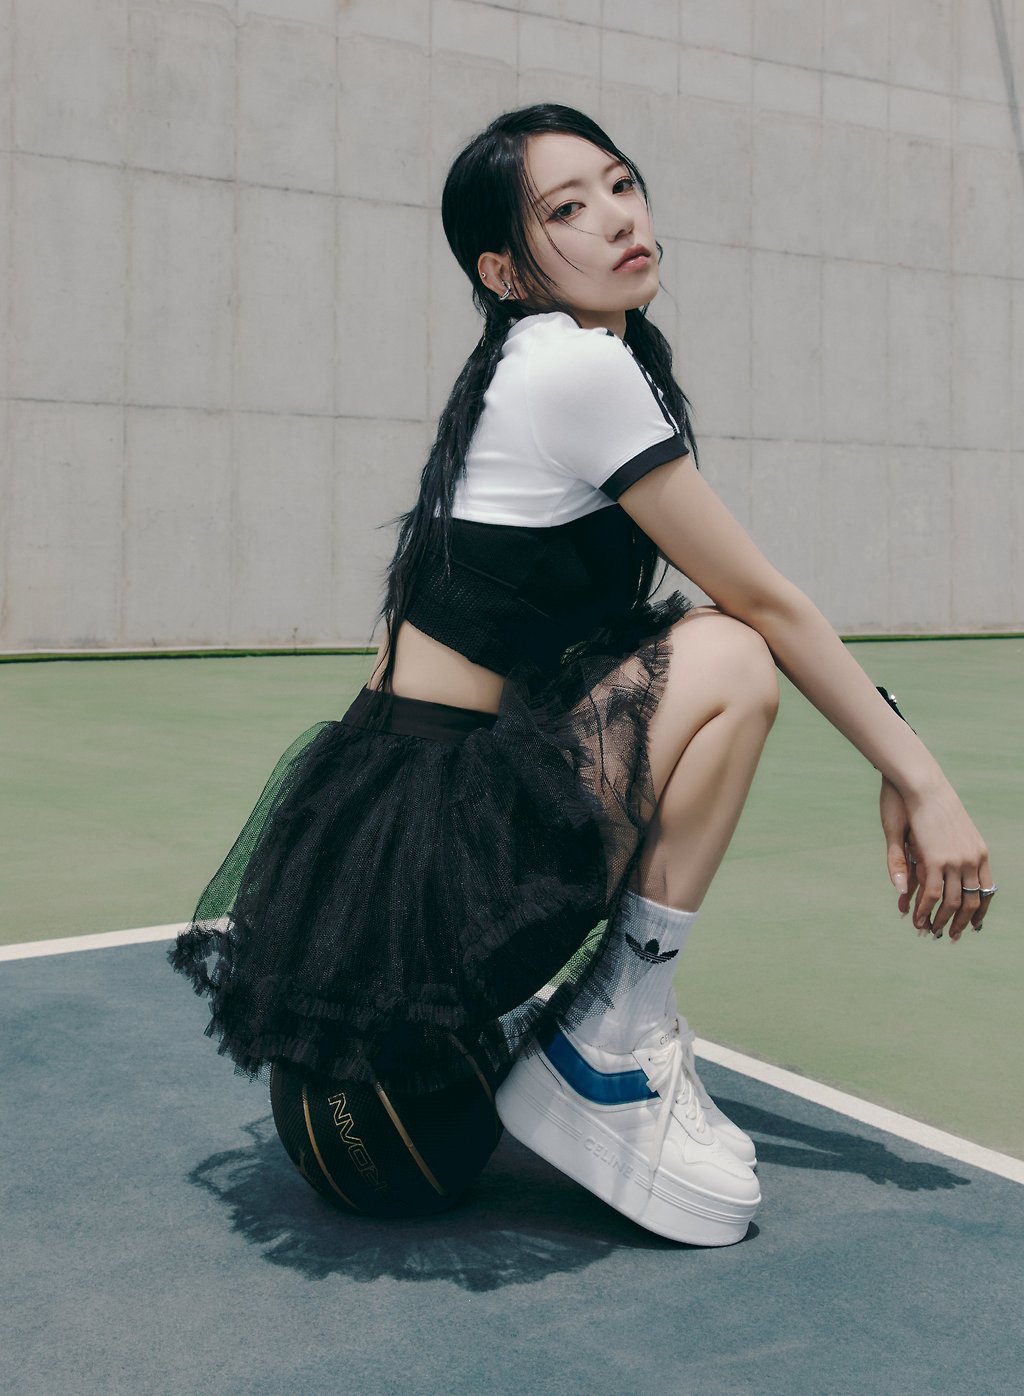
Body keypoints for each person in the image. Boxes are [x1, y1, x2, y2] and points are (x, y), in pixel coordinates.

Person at [169, 104, 996, 1248]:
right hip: (422, 942)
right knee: (732, 656)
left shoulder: (532, 367)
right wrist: (920, 779)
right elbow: (761, 604)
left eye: (619, 184)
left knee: (712, 644)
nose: (616, 217)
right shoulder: (571, 367)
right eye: (567, 207)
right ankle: (607, 1045)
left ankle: (603, 1033)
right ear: (503, 271)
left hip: (406, 855)